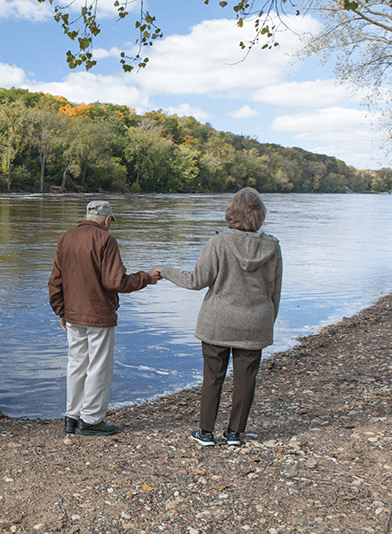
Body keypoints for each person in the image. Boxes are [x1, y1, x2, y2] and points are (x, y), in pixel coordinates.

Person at [159, 187, 282, 446]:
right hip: (256, 322)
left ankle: (205, 432)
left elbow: (196, 281)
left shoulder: (219, 242)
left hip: (219, 322)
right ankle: (235, 433)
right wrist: (266, 323)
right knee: (246, 379)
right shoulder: (272, 247)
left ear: (231, 214)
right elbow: (274, 291)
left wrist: (165, 270)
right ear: (259, 215)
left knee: (213, 376)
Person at [48, 200, 161, 436]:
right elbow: (115, 282)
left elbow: (55, 281)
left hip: (73, 315)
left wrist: (61, 310)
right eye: (110, 222)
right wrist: (146, 277)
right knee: (99, 366)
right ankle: (90, 420)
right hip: (98, 315)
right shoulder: (105, 239)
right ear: (107, 220)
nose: (110, 226)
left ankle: (72, 417)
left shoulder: (65, 238)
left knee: (76, 365)